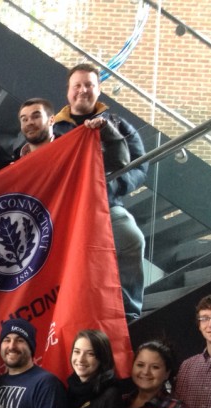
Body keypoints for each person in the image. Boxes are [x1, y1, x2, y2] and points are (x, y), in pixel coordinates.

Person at [52, 63, 147, 321]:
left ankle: (129, 313)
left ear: (99, 90)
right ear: (68, 91)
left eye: (89, 85)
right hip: (64, 212)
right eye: (77, 86)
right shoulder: (52, 129)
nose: (83, 90)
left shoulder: (117, 125)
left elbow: (140, 164)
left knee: (132, 239)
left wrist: (114, 186)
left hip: (107, 206)